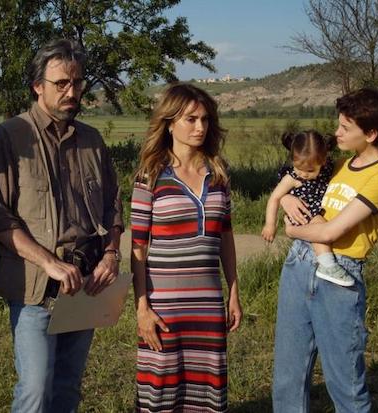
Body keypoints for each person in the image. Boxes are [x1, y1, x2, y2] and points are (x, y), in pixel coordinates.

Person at [0, 38, 124, 412]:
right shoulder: (9, 136)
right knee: (35, 390)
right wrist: (49, 262)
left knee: (67, 388)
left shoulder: (92, 140)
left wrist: (111, 253)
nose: (71, 92)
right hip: (35, 287)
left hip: (86, 283)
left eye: (77, 83)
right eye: (61, 83)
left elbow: (112, 204)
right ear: (37, 86)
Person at [272, 88, 378, 412]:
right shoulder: (338, 164)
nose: (336, 132)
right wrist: (285, 198)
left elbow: (331, 231)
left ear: (371, 134)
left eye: (345, 127)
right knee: (288, 376)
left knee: (345, 382)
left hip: (339, 275)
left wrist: (291, 229)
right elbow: (297, 179)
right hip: (299, 265)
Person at [131, 83, 242, 413]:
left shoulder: (218, 174)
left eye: (205, 119)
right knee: (161, 395)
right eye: (190, 119)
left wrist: (233, 292)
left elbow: (225, 238)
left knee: (206, 394)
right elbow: (138, 248)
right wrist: (142, 308)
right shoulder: (150, 175)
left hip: (207, 305)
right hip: (165, 308)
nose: (200, 127)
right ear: (169, 123)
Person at [261, 130, 353, 286]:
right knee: (320, 226)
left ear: (323, 161)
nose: (303, 174)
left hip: (316, 210)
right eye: (298, 168)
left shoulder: (328, 168)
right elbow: (274, 198)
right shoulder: (292, 177)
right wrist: (270, 224)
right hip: (302, 213)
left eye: (310, 171)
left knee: (321, 223)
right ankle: (327, 265)